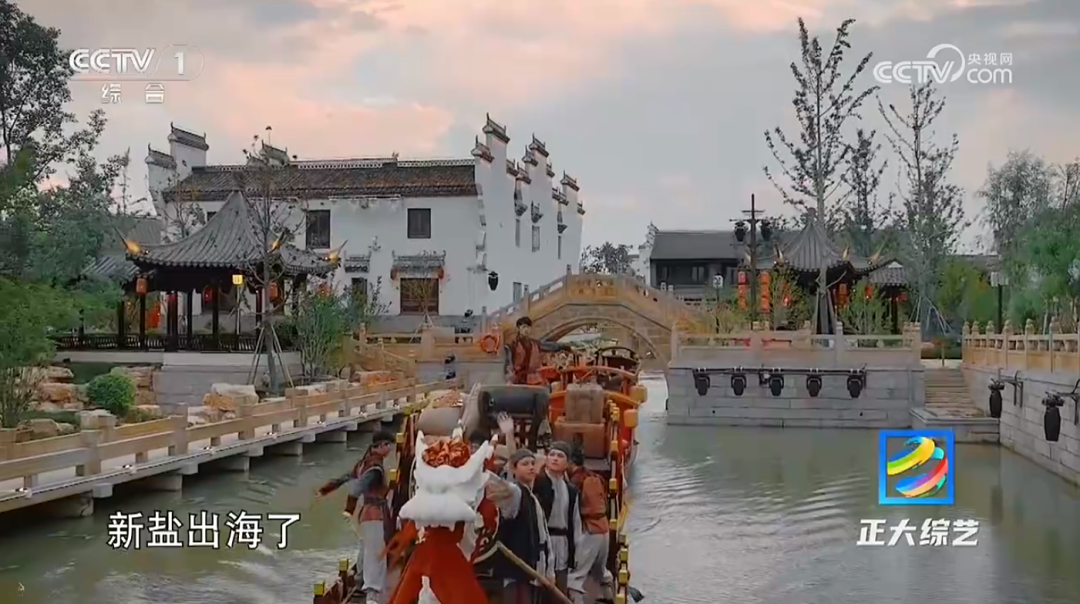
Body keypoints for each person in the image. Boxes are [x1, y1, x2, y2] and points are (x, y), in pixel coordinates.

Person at [315, 430, 395, 604]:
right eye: (388, 445)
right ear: (380, 446)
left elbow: (344, 478)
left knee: (366, 550)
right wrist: (349, 508)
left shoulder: (363, 464)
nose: (389, 449)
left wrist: (325, 489)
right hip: (374, 513)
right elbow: (357, 488)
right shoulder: (374, 468)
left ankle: (360, 582)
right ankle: (372, 594)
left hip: (365, 514)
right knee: (376, 554)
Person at [495, 448, 553, 604]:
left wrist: (548, 569)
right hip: (516, 570)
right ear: (514, 469)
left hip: (532, 567)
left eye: (533, 463)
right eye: (525, 464)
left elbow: (543, 535)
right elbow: (504, 491)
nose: (531, 467)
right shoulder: (515, 493)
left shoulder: (532, 497)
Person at [532, 441, 582, 601]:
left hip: (563, 544)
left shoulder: (571, 491)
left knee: (559, 590)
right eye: (552, 455)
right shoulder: (538, 483)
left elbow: (575, 522)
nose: (555, 458)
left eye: (560, 456)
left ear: (567, 463)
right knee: (540, 590)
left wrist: (576, 550)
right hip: (542, 541)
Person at [567, 449, 615, 604]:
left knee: (575, 576)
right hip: (604, 528)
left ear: (570, 462)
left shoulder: (576, 481)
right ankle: (608, 597)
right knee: (599, 570)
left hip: (589, 529)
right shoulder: (595, 477)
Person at [507, 316, 571, 385]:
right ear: (518, 329)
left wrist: (565, 347)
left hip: (535, 378)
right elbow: (509, 364)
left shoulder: (535, 344)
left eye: (528, 327)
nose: (526, 329)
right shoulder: (513, 345)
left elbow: (551, 346)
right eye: (523, 327)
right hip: (519, 379)